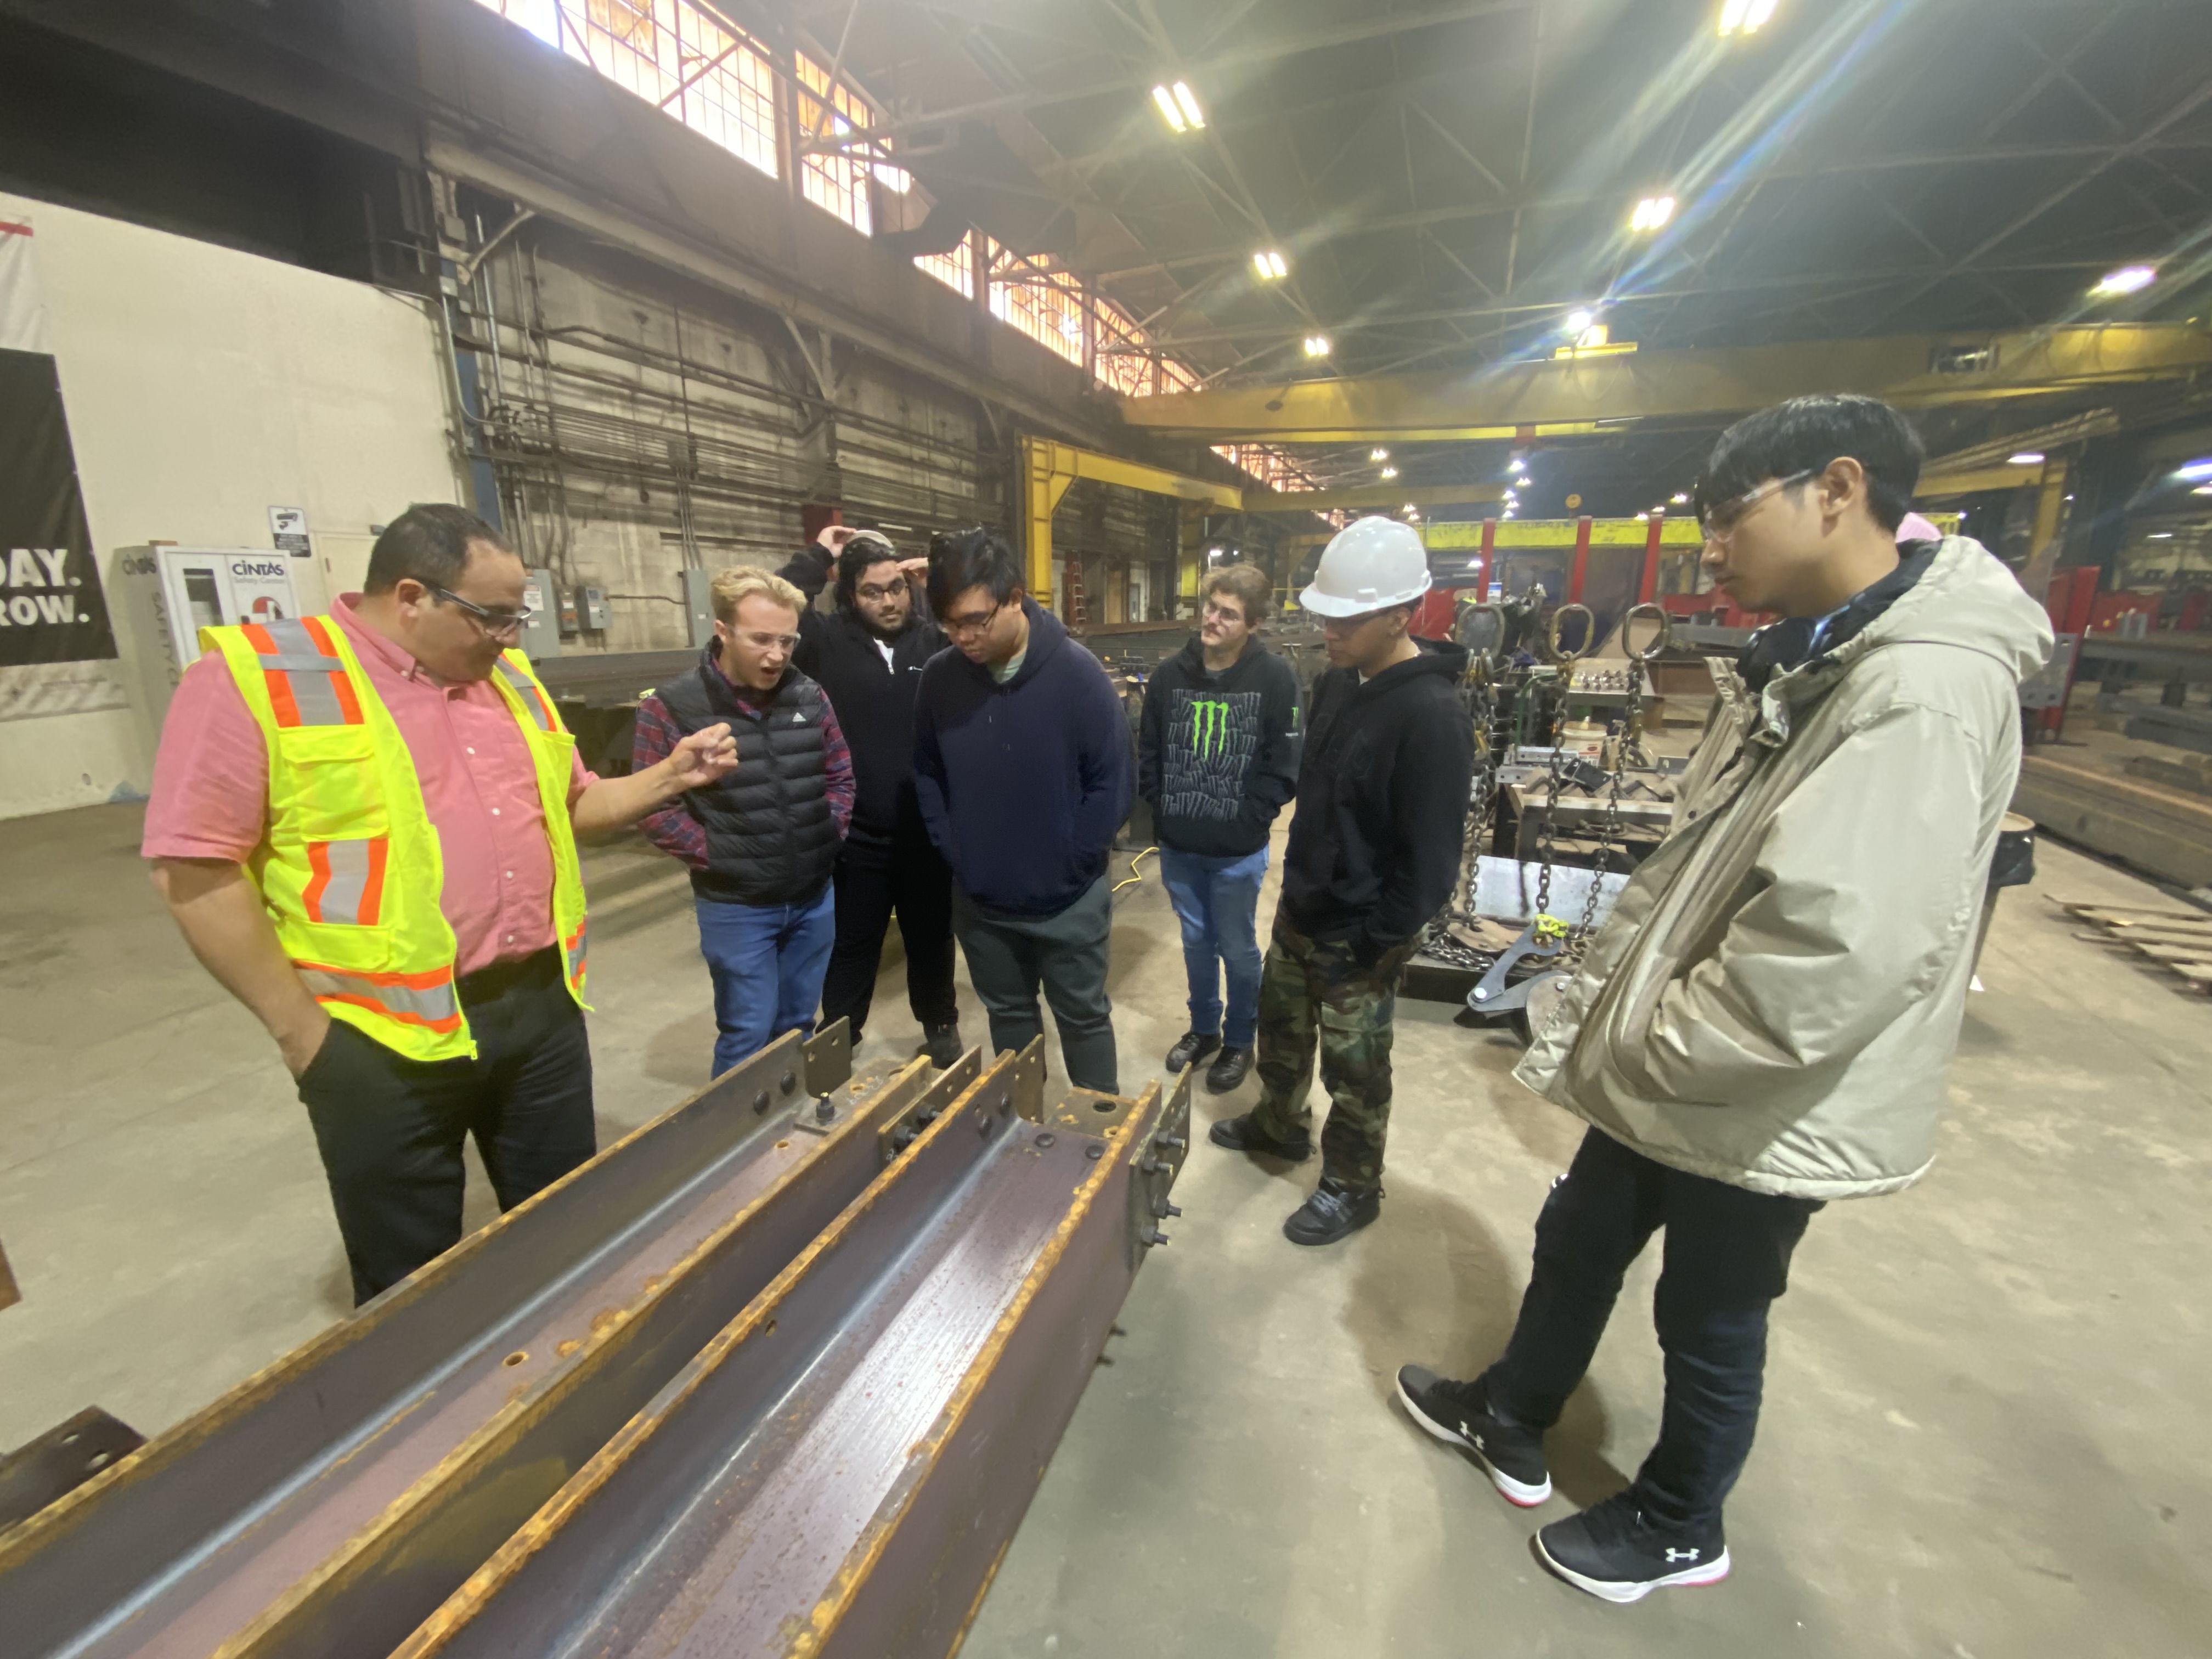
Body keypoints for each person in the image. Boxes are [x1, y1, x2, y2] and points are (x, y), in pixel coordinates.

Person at [1396, 394, 2053, 1604]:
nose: (1707, 549)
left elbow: (1833, 957)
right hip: (1685, 1054)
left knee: (1712, 1305)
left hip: (1758, 1082)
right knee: (1582, 1233)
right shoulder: (1830, 651)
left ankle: (1680, 1521)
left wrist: (1652, 1035)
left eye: (1728, 516)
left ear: (1838, 490)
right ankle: (1514, 1409)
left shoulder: (1919, 690)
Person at [144, 504, 738, 1305]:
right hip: (374, 1035)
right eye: (493, 616)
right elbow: (195, 870)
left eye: (515, 615)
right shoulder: (263, 677)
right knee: (412, 1284)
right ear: (413, 597)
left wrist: (670, 776)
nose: (511, 636)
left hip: (537, 1009)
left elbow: (575, 806)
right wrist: (303, 1035)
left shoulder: (508, 680)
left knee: (568, 1237)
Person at [1209, 516, 1474, 1245]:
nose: (1329, 629)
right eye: (1326, 613)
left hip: (1359, 934)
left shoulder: (1432, 716)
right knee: (1282, 1037)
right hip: (1302, 911)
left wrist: (1378, 939)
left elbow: (1431, 860)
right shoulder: (1335, 683)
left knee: (1355, 1074)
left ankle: (1354, 1186)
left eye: (1348, 617)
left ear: (1401, 613)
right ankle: (1279, 1124)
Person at [911, 526, 1133, 1094]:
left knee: (1083, 1018)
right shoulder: (940, 681)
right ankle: (1024, 1132)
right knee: (1009, 1018)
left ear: (1015, 597)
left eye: (975, 620)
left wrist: (1076, 862)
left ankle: (1098, 1138)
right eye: (950, 623)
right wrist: (956, 851)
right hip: (983, 901)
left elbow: (1112, 782)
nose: (962, 637)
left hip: (1069, 900)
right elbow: (929, 771)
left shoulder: (1078, 677)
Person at [633, 566, 855, 1077]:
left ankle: (795, 1135)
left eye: (787, 640)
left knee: (799, 1024)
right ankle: (737, 1151)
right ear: (723, 631)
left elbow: (841, 775)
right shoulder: (672, 708)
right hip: (736, 907)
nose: (776, 655)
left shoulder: (809, 696)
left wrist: (825, 837)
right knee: (747, 1033)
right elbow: (652, 806)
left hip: (812, 896)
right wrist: (719, 855)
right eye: (760, 640)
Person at [777, 526, 961, 1066]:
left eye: (897, 587)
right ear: (851, 596)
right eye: (873, 591)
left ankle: (940, 1022)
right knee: (854, 942)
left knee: (933, 938)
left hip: (927, 832)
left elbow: (994, 626)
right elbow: (773, 600)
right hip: (858, 835)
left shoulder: (935, 642)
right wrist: (820, 556)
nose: (888, 600)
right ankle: (840, 1037)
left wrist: (945, 583)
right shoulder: (825, 643)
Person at [1137, 561, 1302, 1093]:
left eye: (1229, 614)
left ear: (1252, 625)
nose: (1213, 619)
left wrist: (1252, 818)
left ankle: (1239, 1040)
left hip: (1237, 852)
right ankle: (1204, 1030)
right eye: (1211, 607)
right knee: (1194, 943)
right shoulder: (1168, 677)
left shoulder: (1275, 679)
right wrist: (1163, 809)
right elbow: (1149, 751)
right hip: (1181, 847)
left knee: (1237, 947)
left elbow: (1285, 762)